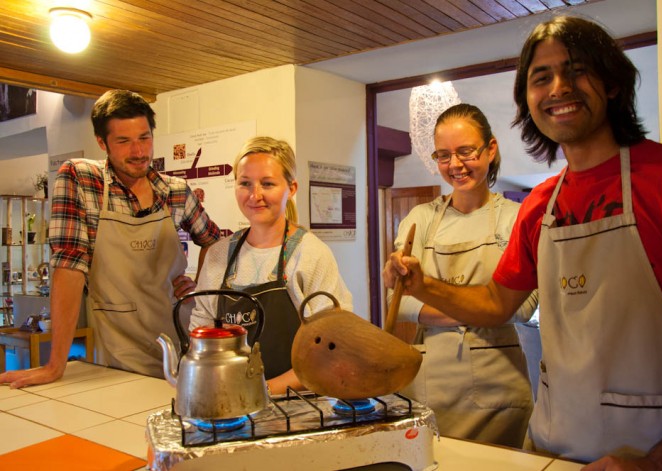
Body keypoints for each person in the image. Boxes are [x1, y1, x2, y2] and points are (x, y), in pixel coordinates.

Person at [384, 15, 662, 470]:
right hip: (552, 448)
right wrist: (421, 285)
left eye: (576, 70)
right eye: (541, 78)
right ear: (529, 100)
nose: (558, 88)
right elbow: (498, 303)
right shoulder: (542, 205)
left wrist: (660, 464)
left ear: (612, 84)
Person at [0, 89, 221, 388]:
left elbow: (214, 242)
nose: (139, 152)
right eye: (124, 141)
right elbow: (68, 267)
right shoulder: (80, 178)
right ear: (102, 142)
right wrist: (55, 365)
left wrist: (201, 286)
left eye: (144, 138)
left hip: (177, 338)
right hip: (118, 346)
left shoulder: (175, 191)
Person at [388, 103, 537, 446]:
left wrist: (426, 293)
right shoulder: (419, 220)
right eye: (443, 155)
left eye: (466, 151)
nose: (455, 165)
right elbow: (398, 305)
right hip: (429, 387)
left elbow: (523, 308)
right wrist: (487, 305)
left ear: (491, 148)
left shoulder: (518, 218)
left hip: (500, 391)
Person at [190, 136, 352, 395]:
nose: (255, 195)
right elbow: (200, 332)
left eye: (267, 184)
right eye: (245, 183)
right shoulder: (218, 256)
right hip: (228, 399)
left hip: (299, 404)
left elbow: (331, 346)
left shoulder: (309, 254)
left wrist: (261, 390)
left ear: (292, 188)